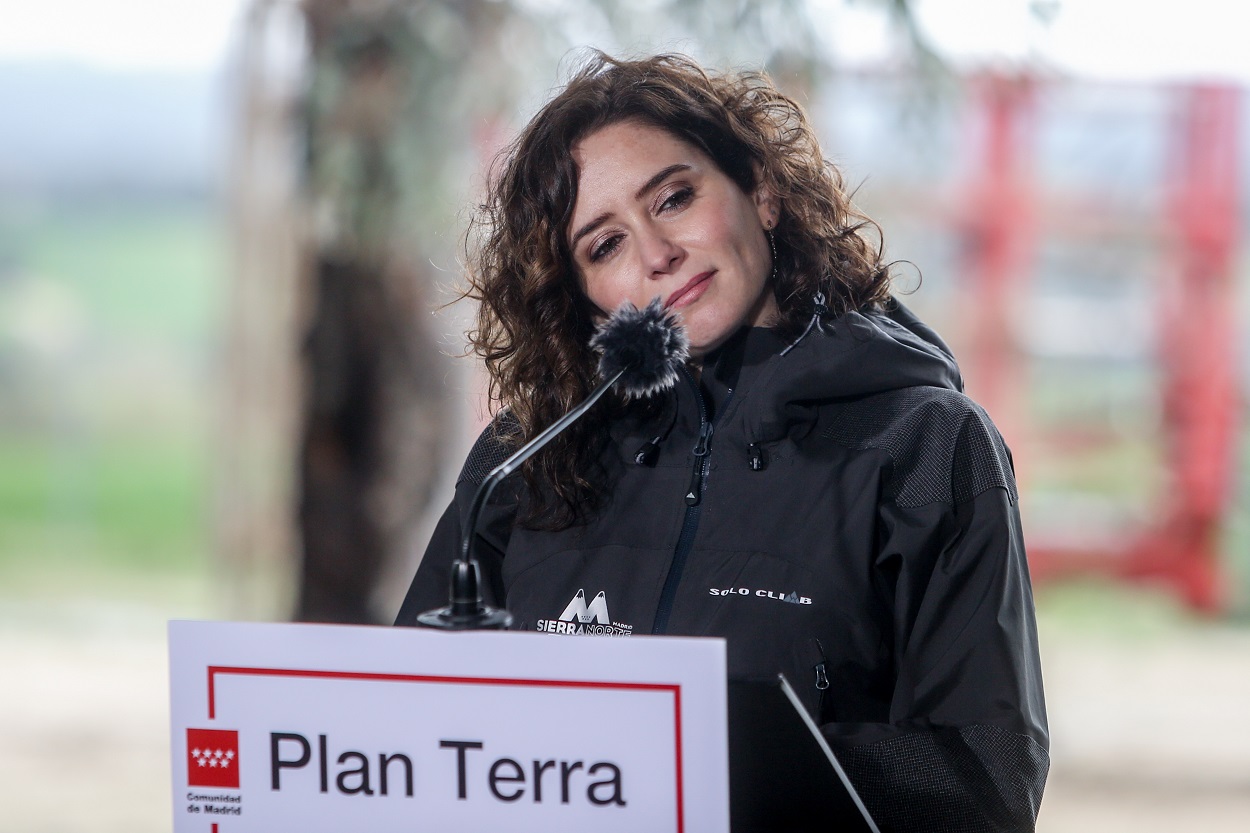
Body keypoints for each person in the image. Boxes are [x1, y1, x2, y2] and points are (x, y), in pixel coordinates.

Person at [395, 52, 1048, 831]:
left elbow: (983, 781)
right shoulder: (524, 460)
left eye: (673, 198)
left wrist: (710, 755)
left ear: (761, 190)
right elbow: (408, 735)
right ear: (588, 300)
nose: (656, 254)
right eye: (605, 245)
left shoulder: (927, 448)